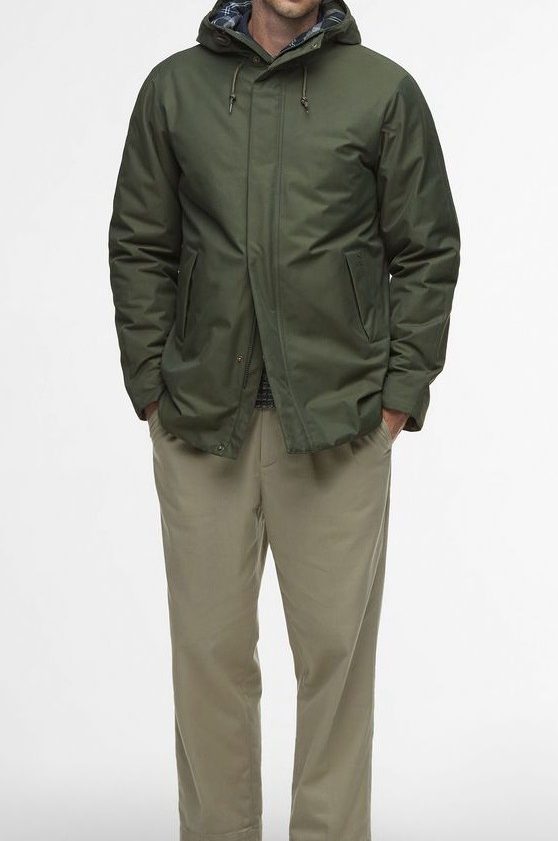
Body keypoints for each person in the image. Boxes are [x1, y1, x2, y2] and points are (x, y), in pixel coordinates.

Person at [108, 2, 460, 839]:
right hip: (202, 422)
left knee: (336, 665)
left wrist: (398, 397)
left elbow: (426, 249)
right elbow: (141, 244)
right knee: (208, 659)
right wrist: (153, 387)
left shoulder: (383, 91)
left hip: (341, 425)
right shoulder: (173, 90)